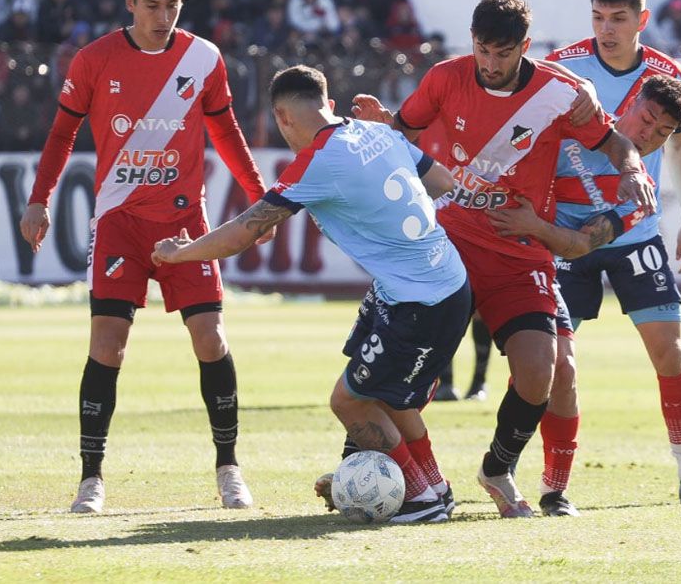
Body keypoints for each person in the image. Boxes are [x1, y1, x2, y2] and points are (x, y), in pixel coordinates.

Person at [351, 0, 654, 518]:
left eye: (503, 54)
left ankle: (498, 467)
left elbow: (614, 143)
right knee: (403, 372)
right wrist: (384, 124)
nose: (491, 65)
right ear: (472, 42)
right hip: (447, 249)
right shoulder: (446, 77)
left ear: (525, 47)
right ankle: (360, 467)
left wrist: (630, 170)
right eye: (483, 51)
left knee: (542, 369)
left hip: (519, 254)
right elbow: (404, 131)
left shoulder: (562, 94)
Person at [153, 65, 472, 523]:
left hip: (418, 302)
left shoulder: (317, 161)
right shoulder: (372, 131)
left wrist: (181, 253)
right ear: (330, 105)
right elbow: (441, 180)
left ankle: (421, 500)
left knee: (348, 401)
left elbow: (244, 232)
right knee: (390, 399)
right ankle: (434, 489)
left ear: (283, 117)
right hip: (446, 284)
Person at [19, 0, 270, 514]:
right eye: (152, 5)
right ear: (129, 3)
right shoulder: (94, 60)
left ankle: (229, 469)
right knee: (108, 346)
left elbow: (224, 128)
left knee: (211, 339)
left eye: (172, 5)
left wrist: (258, 194)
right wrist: (40, 199)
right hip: (119, 224)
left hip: (185, 224)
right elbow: (63, 132)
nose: (163, 16)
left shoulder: (203, 57)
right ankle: (91, 479)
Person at [531, 0, 681, 506]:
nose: (606, 29)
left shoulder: (666, 74)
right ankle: (554, 487)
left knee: (670, 352)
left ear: (642, 20)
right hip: (567, 234)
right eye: (597, 17)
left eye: (618, 19)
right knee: (557, 366)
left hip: (637, 233)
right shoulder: (562, 69)